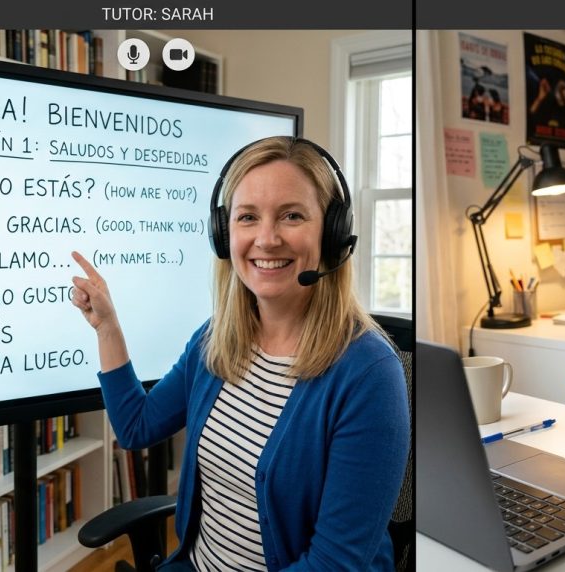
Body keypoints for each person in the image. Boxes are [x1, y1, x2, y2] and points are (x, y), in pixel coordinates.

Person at [70, 136, 410, 570]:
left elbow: (336, 563)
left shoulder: (369, 375)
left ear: (333, 233)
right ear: (223, 233)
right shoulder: (216, 340)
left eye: (291, 215)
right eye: (247, 217)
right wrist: (108, 327)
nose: (266, 239)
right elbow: (136, 426)